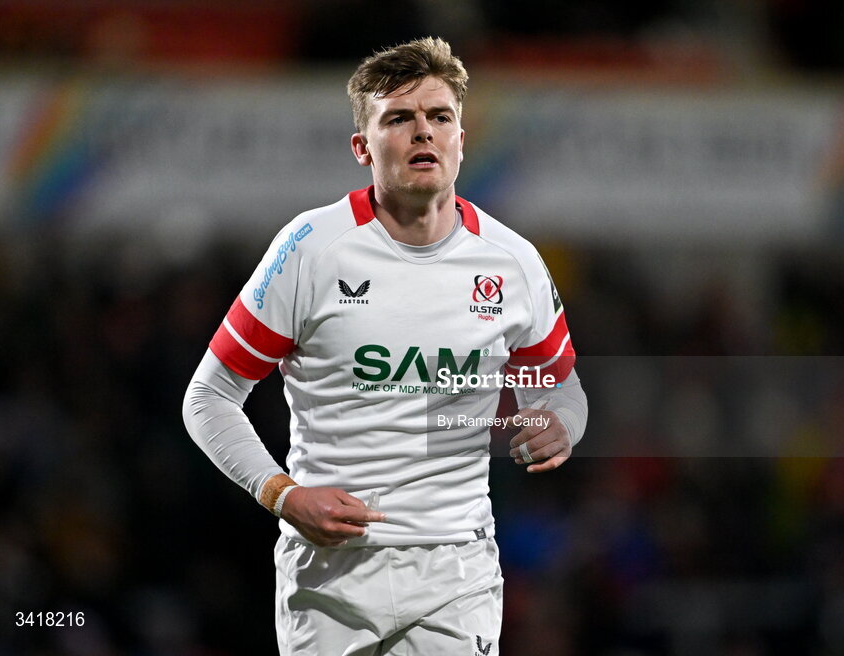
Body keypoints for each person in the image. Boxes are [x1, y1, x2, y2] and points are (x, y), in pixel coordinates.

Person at [182, 36, 588, 655]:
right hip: (330, 572)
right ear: (362, 147)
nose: (423, 131)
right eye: (399, 118)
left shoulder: (513, 262)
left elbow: (560, 387)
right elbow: (208, 397)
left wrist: (562, 423)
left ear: (461, 140)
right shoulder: (311, 249)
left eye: (439, 117)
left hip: (457, 570)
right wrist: (282, 495)